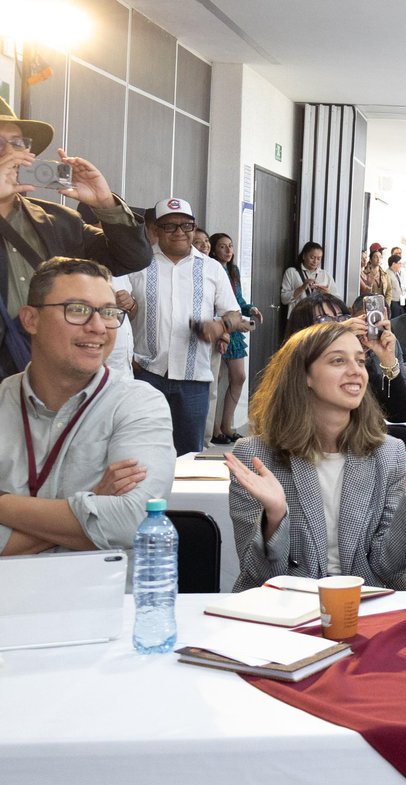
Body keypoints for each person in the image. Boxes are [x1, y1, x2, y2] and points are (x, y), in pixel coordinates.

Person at [226, 323, 406, 591]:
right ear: (303, 376)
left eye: (360, 361)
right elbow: (259, 576)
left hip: (371, 602)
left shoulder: (388, 453)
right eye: (338, 360)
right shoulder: (255, 455)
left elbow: (389, 566)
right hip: (286, 606)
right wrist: (275, 516)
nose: (356, 371)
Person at [0, 257, 173, 564]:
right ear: (30, 320)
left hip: (104, 603)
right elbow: (111, 521)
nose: (97, 327)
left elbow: (133, 520)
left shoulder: (138, 405)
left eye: (108, 312)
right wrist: (92, 501)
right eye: (77, 310)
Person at [0, 99, 152, 378]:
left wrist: (105, 203)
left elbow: (133, 257)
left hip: (52, 377)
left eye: (19, 143)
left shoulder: (60, 220)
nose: (11, 153)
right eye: (0, 144)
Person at [128, 198, 244, 455]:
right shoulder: (139, 264)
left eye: (186, 225)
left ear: (194, 228)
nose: (180, 232)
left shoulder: (212, 268)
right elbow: (117, 307)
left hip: (194, 379)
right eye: (170, 226)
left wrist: (220, 325)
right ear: (156, 230)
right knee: (142, 452)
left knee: (188, 455)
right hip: (146, 374)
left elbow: (234, 314)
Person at [286, 293, 406, 423]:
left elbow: (400, 413)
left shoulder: (358, 368)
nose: (341, 326)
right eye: (325, 321)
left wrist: (387, 359)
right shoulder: (291, 373)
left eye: (342, 319)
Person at [209, 233, 261, 444]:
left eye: (230, 246)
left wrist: (250, 308)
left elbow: (237, 300)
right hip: (218, 326)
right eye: (223, 247)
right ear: (214, 250)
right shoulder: (211, 268)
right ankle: (213, 429)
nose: (228, 250)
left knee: (238, 376)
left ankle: (227, 425)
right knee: (216, 379)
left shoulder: (233, 270)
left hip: (234, 326)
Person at [280, 242, 332, 317]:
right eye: (312, 257)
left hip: (319, 319)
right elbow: (284, 299)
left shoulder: (325, 275)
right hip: (297, 318)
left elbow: (337, 300)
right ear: (304, 256)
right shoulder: (291, 272)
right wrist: (302, 288)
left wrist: (327, 294)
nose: (315, 261)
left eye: (318, 258)